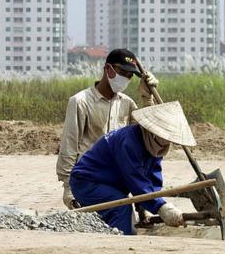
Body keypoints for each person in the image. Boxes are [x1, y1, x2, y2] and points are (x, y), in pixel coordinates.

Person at [69, 101, 195, 235]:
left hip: (111, 183)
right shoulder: (128, 142)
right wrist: (161, 207)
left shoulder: (156, 145)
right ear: (152, 132)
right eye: (165, 138)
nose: (167, 143)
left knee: (124, 207)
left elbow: (151, 178)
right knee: (121, 206)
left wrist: (144, 207)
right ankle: (121, 243)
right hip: (87, 182)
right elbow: (135, 179)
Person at [56, 49, 158, 209]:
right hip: (90, 179)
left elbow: (147, 140)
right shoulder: (80, 102)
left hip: (117, 180)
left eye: (130, 76)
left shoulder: (128, 104)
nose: (126, 78)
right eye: (122, 73)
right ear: (108, 69)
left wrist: (147, 97)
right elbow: (69, 147)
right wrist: (69, 189)